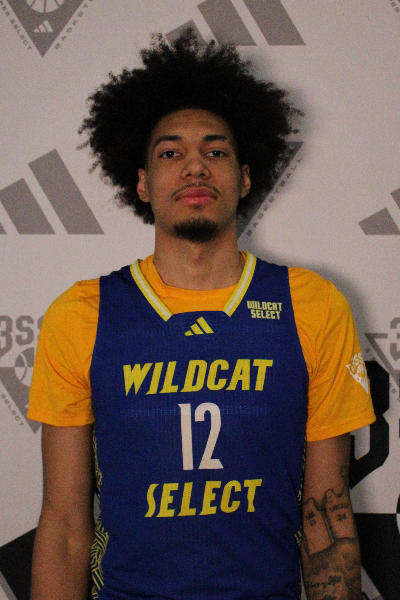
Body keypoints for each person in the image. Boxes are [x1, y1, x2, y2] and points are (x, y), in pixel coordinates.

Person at [28, 30, 375, 600]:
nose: (195, 168)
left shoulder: (312, 305)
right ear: (142, 183)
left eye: (216, 152)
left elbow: (328, 517)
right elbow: (64, 527)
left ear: (244, 178)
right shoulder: (81, 314)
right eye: (171, 153)